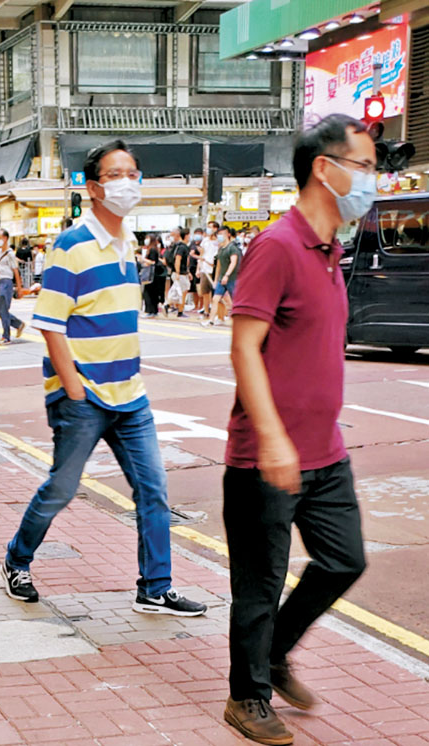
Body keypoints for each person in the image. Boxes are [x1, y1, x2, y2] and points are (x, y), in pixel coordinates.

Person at [2, 139, 207, 618]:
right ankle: (17, 559)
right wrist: (74, 390)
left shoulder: (127, 241)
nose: (127, 182)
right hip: (84, 396)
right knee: (63, 487)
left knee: (153, 489)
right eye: (115, 175)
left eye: (132, 173)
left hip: (130, 396)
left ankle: (155, 587)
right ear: (93, 188)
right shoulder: (71, 245)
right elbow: (50, 324)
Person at [221, 113, 372, 745]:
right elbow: (243, 347)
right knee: (258, 585)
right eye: (364, 166)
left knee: (344, 561)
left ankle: (275, 653)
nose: (372, 179)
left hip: (325, 452)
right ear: (324, 168)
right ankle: (246, 696)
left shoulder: (333, 250)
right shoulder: (277, 245)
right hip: (266, 456)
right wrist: (275, 437)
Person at [0, 228, 25, 345]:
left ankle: (6, 336)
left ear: (5, 238)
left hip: (7, 283)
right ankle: (18, 324)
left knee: (4, 310)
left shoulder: (10, 254)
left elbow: (16, 271)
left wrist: (19, 288)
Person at [202, 226, 241, 327]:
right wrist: (216, 279)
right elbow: (218, 265)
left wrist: (227, 275)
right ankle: (211, 320)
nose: (220, 236)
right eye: (219, 234)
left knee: (235, 301)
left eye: (223, 234)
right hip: (221, 279)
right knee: (215, 299)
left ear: (228, 234)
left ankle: (240, 321)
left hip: (232, 279)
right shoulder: (220, 249)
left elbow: (234, 262)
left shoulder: (232, 248)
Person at [194, 224, 218, 320]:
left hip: (214, 269)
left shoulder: (217, 241)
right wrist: (198, 269)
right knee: (205, 292)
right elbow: (201, 255)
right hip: (205, 269)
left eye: (211, 227)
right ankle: (206, 311)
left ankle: (215, 312)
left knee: (215, 292)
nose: (209, 229)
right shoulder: (205, 241)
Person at [165, 227, 190, 317]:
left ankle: (168, 305)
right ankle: (179, 311)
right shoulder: (182, 247)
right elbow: (178, 260)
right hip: (179, 273)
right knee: (183, 292)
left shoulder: (176, 246)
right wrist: (178, 272)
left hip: (177, 272)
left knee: (176, 292)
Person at [140, 235, 165, 318]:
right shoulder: (152, 249)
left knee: (149, 293)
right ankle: (153, 311)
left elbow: (153, 262)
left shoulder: (152, 250)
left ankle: (150, 311)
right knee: (152, 293)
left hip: (152, 275)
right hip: (153, 274)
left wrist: (143, 259)